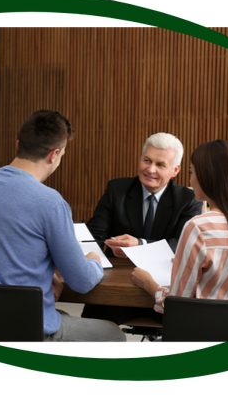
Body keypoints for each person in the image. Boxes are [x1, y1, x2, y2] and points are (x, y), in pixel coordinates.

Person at [0, 109, 126, 344]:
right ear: (54, 155)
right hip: (25, 330)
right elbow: (81, 281)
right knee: (114, 334)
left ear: (18, 144)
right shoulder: (50, 202)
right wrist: (94, 261)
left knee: (62, 317)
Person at [131, 139, 228, 318]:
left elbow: (177, 305)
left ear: (207, 177)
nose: (190, 179)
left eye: (191, 172)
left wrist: (148, 283)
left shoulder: (198, 227)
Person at [82, 132, 203, 325]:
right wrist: (103, 249)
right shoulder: (117, 190)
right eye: (147, 160)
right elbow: (94, 236)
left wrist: (139, 245)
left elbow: (182, 245)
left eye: (160, 164)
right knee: (90, 328)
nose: (150, 169)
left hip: (164, 285)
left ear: (175, 170)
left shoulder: (188, 200)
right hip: (118, 287)